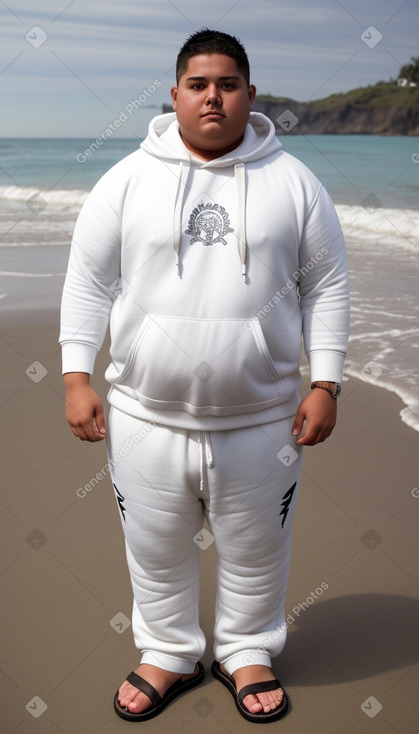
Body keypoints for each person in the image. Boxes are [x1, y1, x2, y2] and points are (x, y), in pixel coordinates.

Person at [60, 29, 350, 724]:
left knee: (257, 548)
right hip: (143, 417)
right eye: (198, 85)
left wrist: (326, 381)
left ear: (250, 95)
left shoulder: (293, 182)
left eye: (226, 84)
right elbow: (88, 281)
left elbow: (328, 285)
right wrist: (76, 376)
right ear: (175, 96)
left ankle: (246, 649)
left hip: (264, 418)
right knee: (154, 549)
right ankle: (167, 651)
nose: (212, 97)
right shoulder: (126, 179)